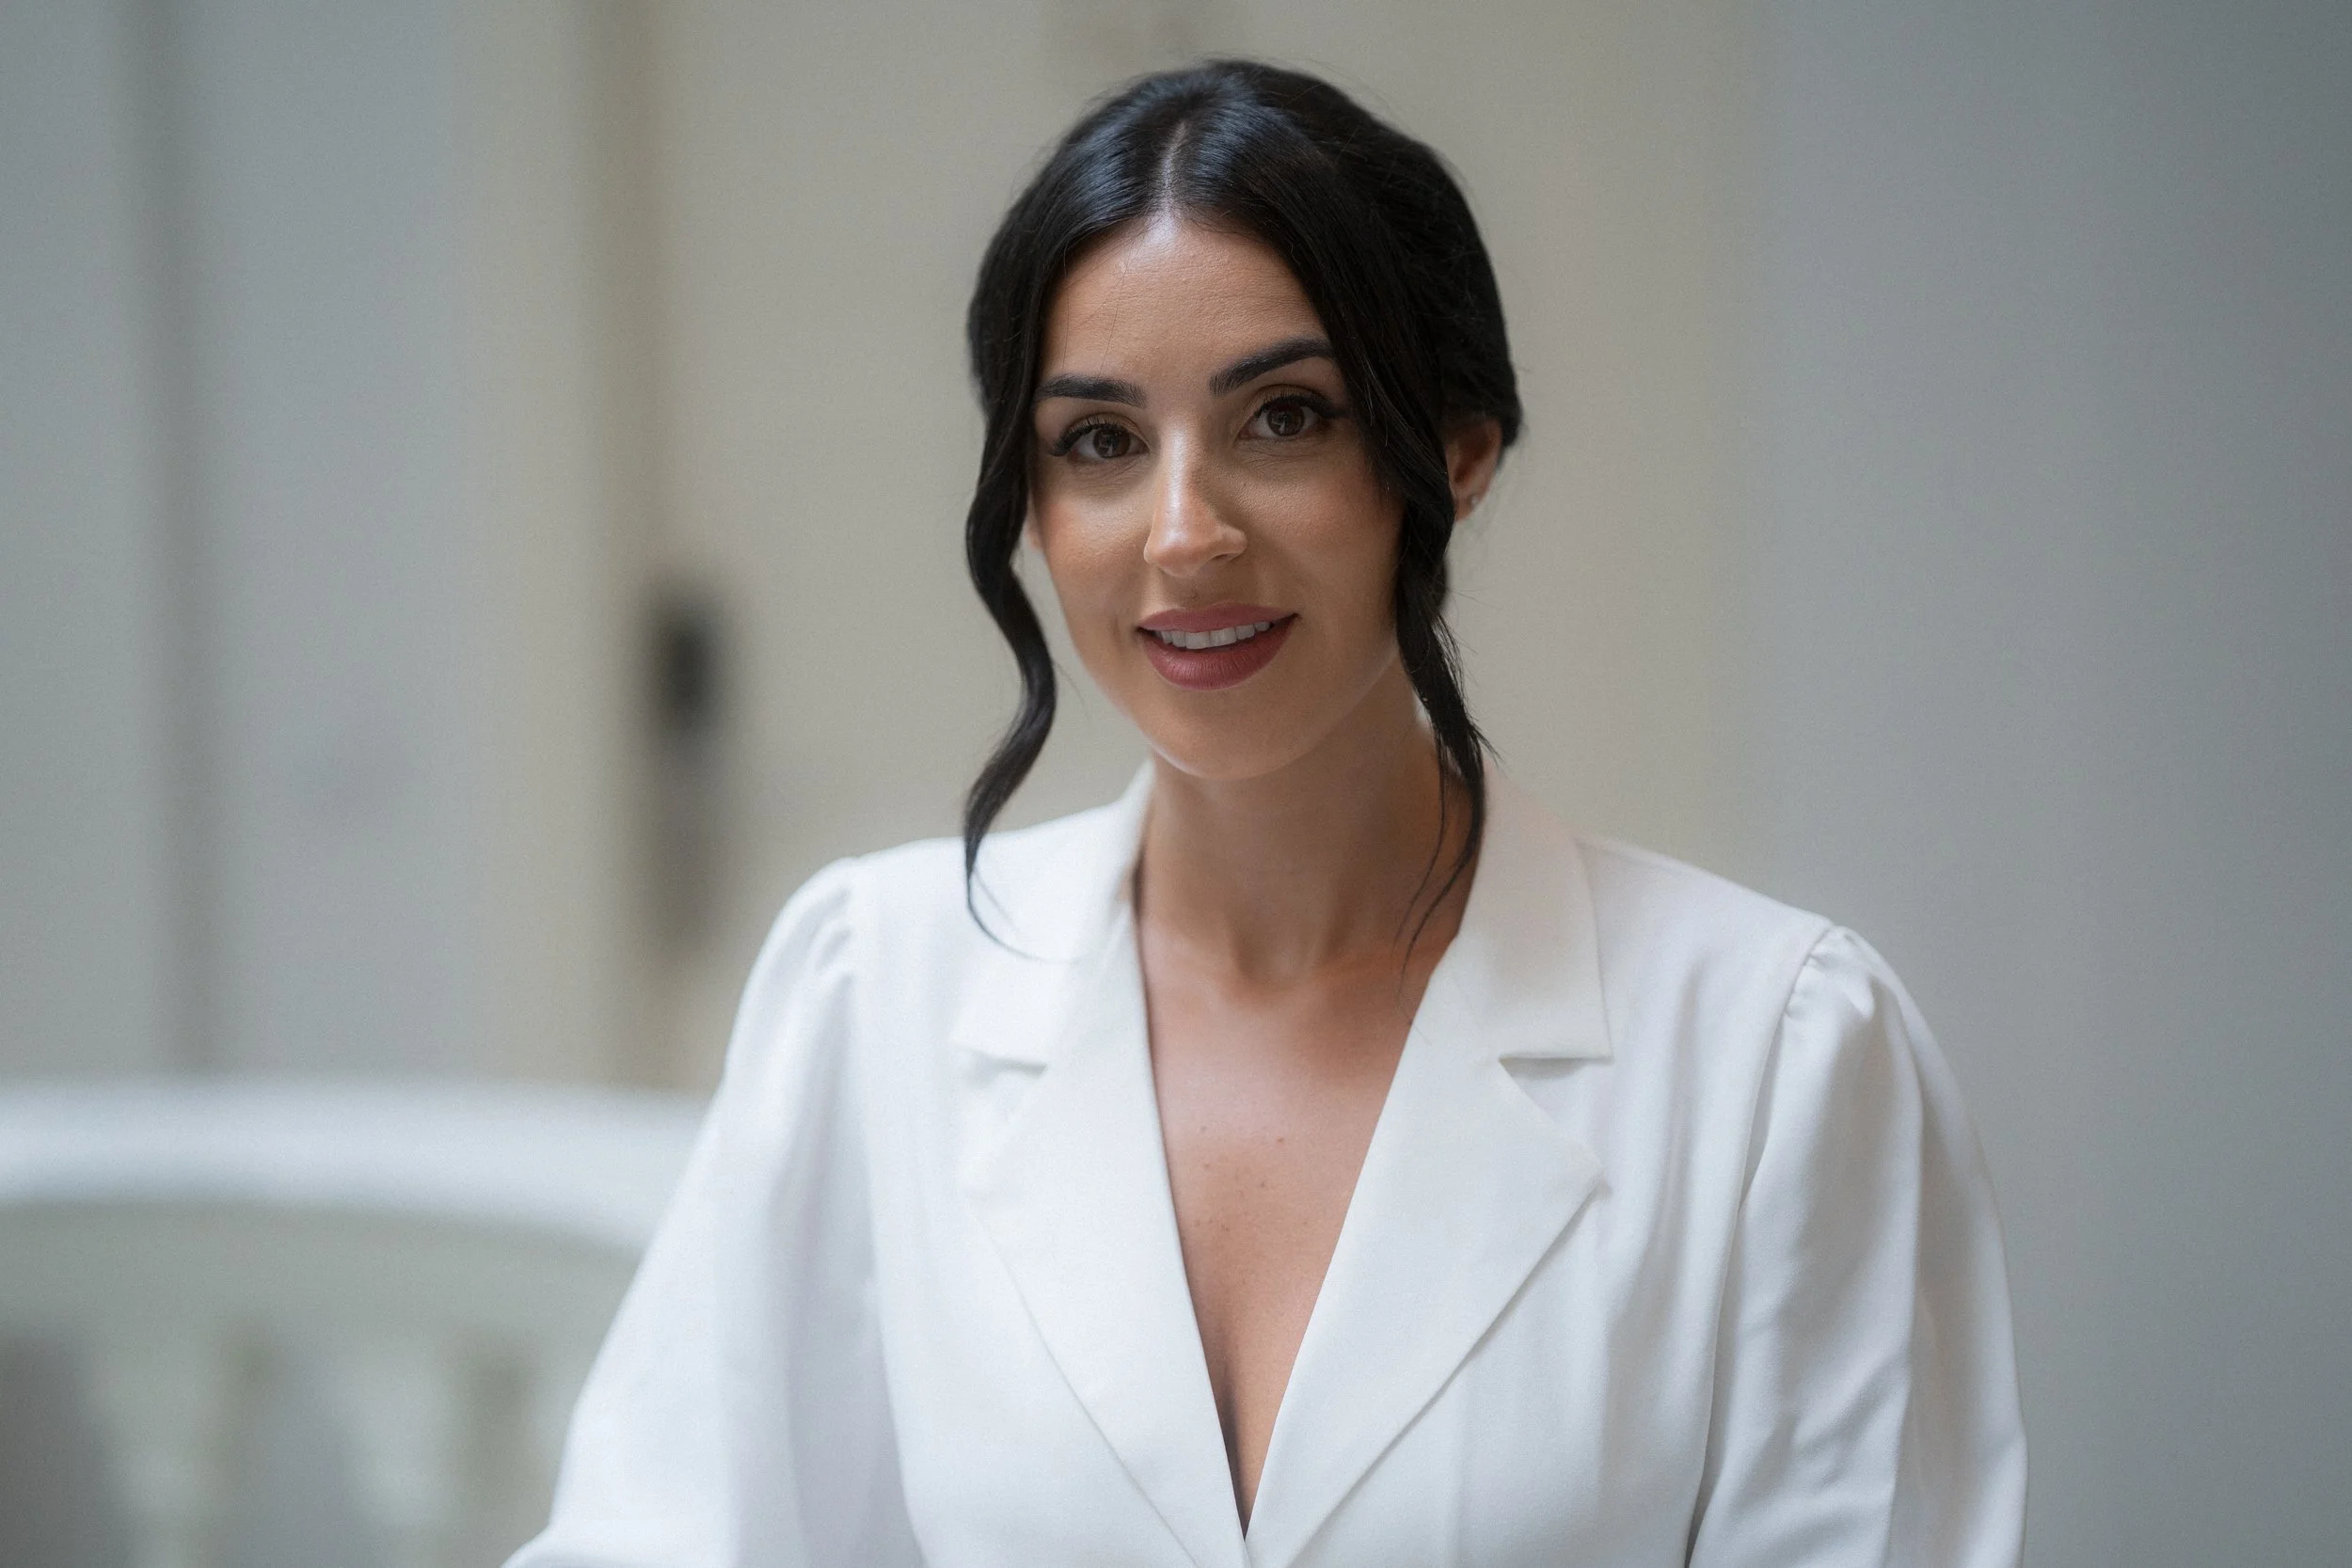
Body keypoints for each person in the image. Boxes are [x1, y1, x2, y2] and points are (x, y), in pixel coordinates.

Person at [510, 60, 2026, 1568]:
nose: (1185, 534)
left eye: (1284, 417)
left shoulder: (1776, 1051)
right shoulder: (874, 986)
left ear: (1454, 450)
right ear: (1029, 503)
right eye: (1098, 442)